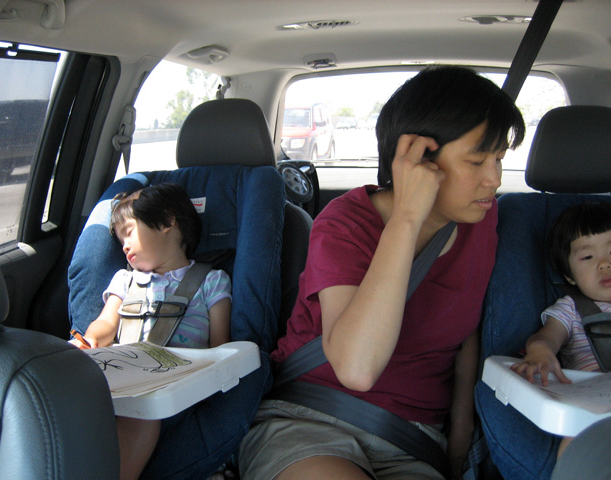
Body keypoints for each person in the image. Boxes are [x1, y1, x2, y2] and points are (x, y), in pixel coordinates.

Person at [238, 65, 525, 480]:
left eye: (498, 159)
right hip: (309, 419)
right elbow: (356, 369)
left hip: (415, 439)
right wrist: (408, 218)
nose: (494, 180)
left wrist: (462, 434)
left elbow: (465, 335)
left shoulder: (484, 221)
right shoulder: (345, 223)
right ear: (418, 158)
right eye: (477, 160)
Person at [70, 183, 232, 480]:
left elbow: (219, 347)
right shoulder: (124, 280)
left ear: (168, 222)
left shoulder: (211, 281)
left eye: (129, 232)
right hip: (123, 376)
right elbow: (107, 324)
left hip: (179, 386)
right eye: (120, 240)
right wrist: (89, 339)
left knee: (141, 411)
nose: (124, 247)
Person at [511, 201, 610, 458]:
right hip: (595, 407)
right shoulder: (572, 309)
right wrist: (540, 351)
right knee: (578, 441)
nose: (604, 264)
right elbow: (547, 338)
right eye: (588, 257)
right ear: (569, 276)